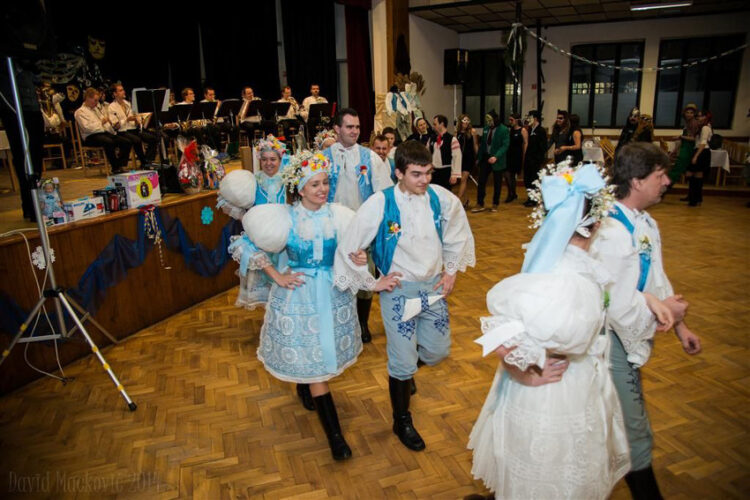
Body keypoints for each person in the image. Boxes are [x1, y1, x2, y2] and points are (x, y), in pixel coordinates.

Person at [468, 160, 673, 499]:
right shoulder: (569, 281)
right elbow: (502, 336)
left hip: (572, 387)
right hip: (555, 395)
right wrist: (527, 370)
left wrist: (646, 299)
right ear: (593, 225)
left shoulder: (569, 268)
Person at [227, 151, 377, 461]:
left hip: (332, 293)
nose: (322, 190)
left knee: (321, 355)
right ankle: (335, 437)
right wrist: (275, 275)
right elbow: (244, 244)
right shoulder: (284, 218)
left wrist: (359, 257)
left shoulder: (339, 215)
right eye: (314, 185)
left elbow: (352, 250)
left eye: (325, 183)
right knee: (316, 364)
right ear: (300, 188)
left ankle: (305, 384)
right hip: (299, 298)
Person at [333, 140, 475, 452]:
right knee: (400, 362)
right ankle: (401, 420)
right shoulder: (380, 203)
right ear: (399, 173)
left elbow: (457, 235)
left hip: (433, 289)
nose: (424, 180)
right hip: (399, 292)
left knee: (438, 352)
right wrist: (373, 283)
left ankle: (409, 370)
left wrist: (450, 271)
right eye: (416, 174)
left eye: (427, 173)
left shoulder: (440, 198)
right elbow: (350, 247)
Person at [590, 142, 702, 499]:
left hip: (625, 337)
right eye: (660, 175)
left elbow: (655, 279)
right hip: (609, 343)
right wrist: (663, 310)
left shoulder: (644, 222)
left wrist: (679, 324)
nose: (668, 181)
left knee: (611, 424)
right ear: (637, 181)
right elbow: (615, 305)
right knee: (632, 427)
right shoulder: (610, 231)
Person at [322, 108, 393, 344]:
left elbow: (384, 193)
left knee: (365, 274)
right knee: (335, 276)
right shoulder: (323, 157)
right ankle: (341, 321)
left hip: (363, 230)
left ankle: (362, 322)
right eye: (349, 127)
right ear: (337, 129)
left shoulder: (370, 157)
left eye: (357, 127)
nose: (354, 131)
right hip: (332, 227)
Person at [221, 135, 289, 310]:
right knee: (268, 285)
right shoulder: (252, 182)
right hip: (261, 242)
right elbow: (230, 203)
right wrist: (250, 220)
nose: (269, 163)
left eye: (273, 159)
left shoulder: (289, 181)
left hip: (285, 240)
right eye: (264, 159)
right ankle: (270, 318)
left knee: (286, 283)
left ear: (280, 159)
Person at [75, 87, 132, 172]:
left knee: (126, 141)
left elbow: (105, 125)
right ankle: (115, 167)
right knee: (108, 142)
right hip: (90, 137)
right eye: (95, 100)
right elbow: (87, 128)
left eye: (97, 100)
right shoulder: (80, 112)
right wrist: (102, 122)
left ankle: (120, 165)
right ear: (87, 98)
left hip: (103, 133)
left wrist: (111, 127)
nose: (96, 103)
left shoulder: (96, 109)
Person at [109, 83, 157, 167]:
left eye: (123, 90)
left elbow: (135, 116)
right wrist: (126, 119)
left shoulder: (128, 104)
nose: (123, 92)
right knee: (136, 140)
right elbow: (115, 126)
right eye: (120, 90)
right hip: (123, 131)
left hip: (134, 129)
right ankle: (143, 162)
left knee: (153, 138)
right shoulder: (112, 107)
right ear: (114, 94)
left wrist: (137, 120)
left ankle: (148, 160)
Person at [472, 110, 509, 213]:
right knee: (481, 181)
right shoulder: (486, 129)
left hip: (497, 159)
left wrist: (496, 156)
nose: (488, 122)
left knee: (497, 183)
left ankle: (495, 203)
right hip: (485, 158)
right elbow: (483, 145)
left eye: (490, 120)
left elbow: (505, 145)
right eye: (487, 120)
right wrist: (478, 158)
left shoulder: (504, 130)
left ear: (495, 119)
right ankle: (480, 203)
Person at [685, 110, 713, 206]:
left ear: (706, 117)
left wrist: (696, 156)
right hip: (698, 150)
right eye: (697, 116)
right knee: (693, 176)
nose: (698, 118)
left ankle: (695, 199)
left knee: (696, 176)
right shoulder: (701, 127)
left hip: (702, 152)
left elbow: (703, 143)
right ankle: (696, 198)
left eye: (701, 116)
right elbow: (696, 140)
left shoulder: (705, 127)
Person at [428, 114, 461, 190]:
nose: (433, 126)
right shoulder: (432, 139)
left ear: (442, 124)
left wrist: (454, 174)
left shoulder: (452, 139)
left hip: (446, 172)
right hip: (434, 172)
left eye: (435, 124)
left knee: (446, 195)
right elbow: (427, 153)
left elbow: (457, 157)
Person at [522, 109, 548, 207]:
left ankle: (534, 199)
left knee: (534, 179)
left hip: (535, 160)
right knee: (527, 179)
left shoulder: (541, 131)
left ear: (535, 119)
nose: (528, 119)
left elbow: (543, 147)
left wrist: (538, 159)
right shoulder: (529, 130)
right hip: (528, 159)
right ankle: (529, 197)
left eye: (530, 117)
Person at [670, 104, 700, 185]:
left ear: (694, 114)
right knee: (679, 167)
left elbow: (693, 139)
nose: (689, 114)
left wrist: (680, 137)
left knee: (679, 167)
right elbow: (684, 138)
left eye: (691, 113)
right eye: (687, 112)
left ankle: (667, 184)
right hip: (684, 146)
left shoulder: (694, 123)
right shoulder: (687, 122)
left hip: (689, 148)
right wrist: (676, 150)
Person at [455, 114, 478, 208]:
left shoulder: (472, 132)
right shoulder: (457, 133)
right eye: (464, 121)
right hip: (460, 158)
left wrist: (478, 157)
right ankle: (466, 199)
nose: (466, 122)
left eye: (468, 120)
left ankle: (457, 201)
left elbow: (475, 145)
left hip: (469, 158)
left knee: (464, 179)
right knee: (462, 180)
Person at [505, 113, 527, 203]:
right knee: (507, 174)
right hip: (509, 154)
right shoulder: (510, 130)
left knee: (513, 175)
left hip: (517, 155)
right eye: (509, 120)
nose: (510, 122)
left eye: (512, 120)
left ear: (517, 120)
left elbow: (525, 143)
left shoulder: (522, 130)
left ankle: (512, 194)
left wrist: (524, 155)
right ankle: (511, 193)